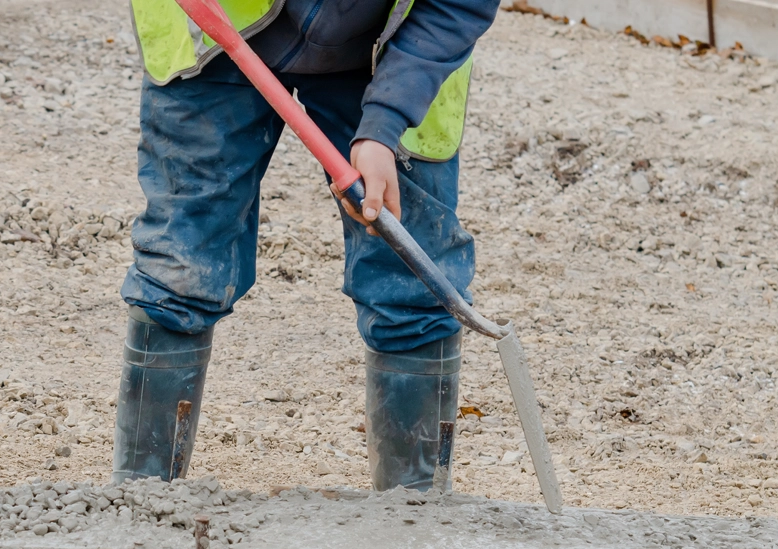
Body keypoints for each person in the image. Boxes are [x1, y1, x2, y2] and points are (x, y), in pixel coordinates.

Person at [113, 0, 497, 491]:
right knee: (181, 262)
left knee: (413, 281)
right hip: (214, 28)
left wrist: (385, 123)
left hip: (394, 47)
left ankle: (414, 513)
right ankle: (141, 503)